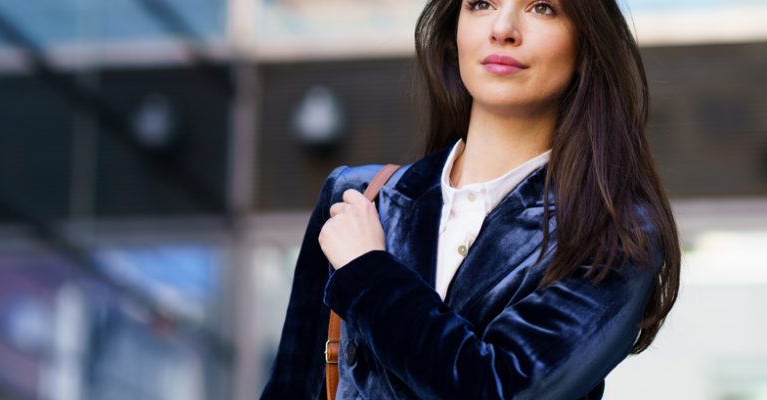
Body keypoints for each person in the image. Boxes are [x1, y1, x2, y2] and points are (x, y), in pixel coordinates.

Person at [261, 0, 681, 398]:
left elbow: (496, 388)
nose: (503, 29)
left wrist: (368, 273)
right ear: (453, 32)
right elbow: (293, 389)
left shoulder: (612, 237)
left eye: (542, 7)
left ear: (586, 44)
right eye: (481, 3)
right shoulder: (358, 199)